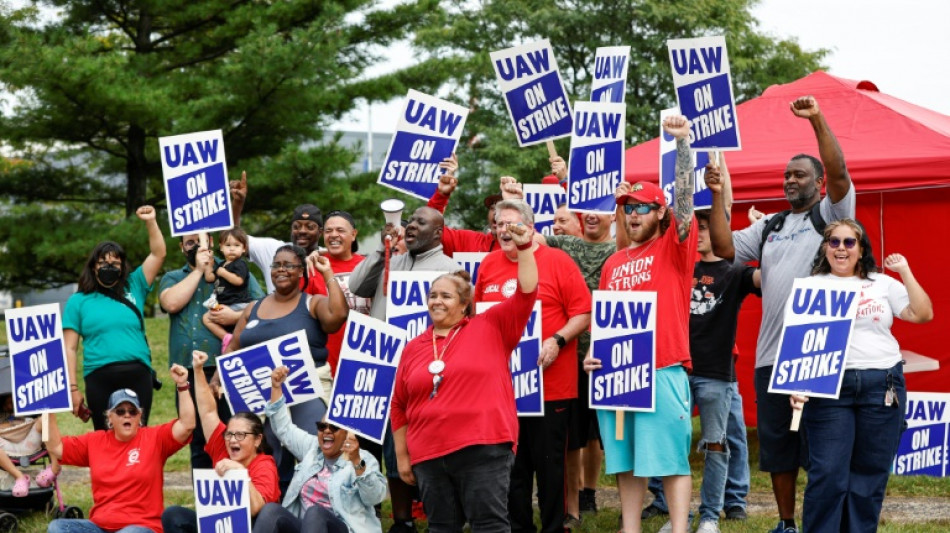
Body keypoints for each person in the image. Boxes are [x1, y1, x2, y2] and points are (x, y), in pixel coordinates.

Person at [704, 95, 855, 533]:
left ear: (818, 183)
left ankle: (824, 522)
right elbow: (724, 247)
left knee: (823, 448)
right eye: (786, 174)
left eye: (799, 174)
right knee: (778, 448)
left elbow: (842, 174)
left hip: (819, 350)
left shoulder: (829, 218)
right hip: (772, 357)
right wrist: (717, 196)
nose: (790, 180)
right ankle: (787, 523)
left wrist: (817, 119)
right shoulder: (770, 225)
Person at [584, 114, 697, 533]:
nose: (632, 215)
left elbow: (685, 205)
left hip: (663, 367)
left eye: (641, 208)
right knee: (625, 461)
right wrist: (595, 354)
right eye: (626, 209)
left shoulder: (673, 248)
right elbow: (606, 319)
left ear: (658, 211)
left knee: (669, 457)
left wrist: (683, 144)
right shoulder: (614, 262)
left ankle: (680, 528)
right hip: (617, 375)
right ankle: (629, 528)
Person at [391, 221, 538, 533]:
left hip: (483, 448)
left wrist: (524, 249)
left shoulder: (491, 326)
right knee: (442, 528)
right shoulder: (414, 347)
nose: (436, 302)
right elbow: (399, 406)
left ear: (463, 303)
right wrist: (403, 458)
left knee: (489, 526)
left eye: (445, 296)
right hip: (429, 454)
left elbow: (526, 292)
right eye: (432, 296)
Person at [789, 219, 932, 533]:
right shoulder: (811, 285)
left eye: (849, 242)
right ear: (825, 248)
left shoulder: (881, 283)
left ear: (861, 248)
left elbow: (923, 314)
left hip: (881, 384)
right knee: (827, 473)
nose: (841, 248)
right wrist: (796, 385)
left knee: (870, 473)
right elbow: (800, 342)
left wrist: (905, 271)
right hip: (828, 389)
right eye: (834, 242)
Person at [474, 198, 591, 533]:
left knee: (550, 466)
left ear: (529, 226)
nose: (505, 231)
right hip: (502, 389)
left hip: (551, 386)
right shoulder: (489, 264)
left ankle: (554, 527)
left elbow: (583, 312)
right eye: (498, 225)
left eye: (512, 224)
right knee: (511, 468)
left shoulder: (557, 261)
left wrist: (557, 340)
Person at [647, 206, 762, 533]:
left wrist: (767, 240)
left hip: (715, 373)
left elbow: (766, 279)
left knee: (716, 445)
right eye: (694, 227)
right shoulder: (676, 267)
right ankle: (677, 515)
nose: (698, 234)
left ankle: (710, 515)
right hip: (674, 368)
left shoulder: (734, 270)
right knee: (672, 446)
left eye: (706, 228)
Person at [349, 206, 461, 533]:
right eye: (409, 221)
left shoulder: (450, 270)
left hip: (423, 372)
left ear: (439, 233)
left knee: (413, 451)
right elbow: (357, 286)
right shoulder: (393, 261)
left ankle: (419, 518)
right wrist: (380, 249)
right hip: (380, 368)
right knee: (377, 447)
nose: (410, 226)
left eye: (420, 222)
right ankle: (387, 520)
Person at [224, 245, 348, 497]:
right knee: (270, 460)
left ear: (301, 271)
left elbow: (338, 315)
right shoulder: (253, 308)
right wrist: (217, 378)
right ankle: (272, 515)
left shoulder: (312, 303)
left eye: (289, 265)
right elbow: (233, 347)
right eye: (277, 265)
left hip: (306, 392)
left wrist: (328, 275)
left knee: (314, 456)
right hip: (262, 397)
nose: (281, 270)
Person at [159, 233, 264, 470]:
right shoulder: (172, 277)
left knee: (236, 436)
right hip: (189, 372)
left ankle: (241, 500)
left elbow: (263, 307)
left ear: (212, 243)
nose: (196, 246)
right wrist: (199, 269)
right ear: (181, 247)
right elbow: (171, 303)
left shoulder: (235, 268)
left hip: (229, 366)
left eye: (201, 241)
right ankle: (206, 504)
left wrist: (235, 316)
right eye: (190, 242)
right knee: (198, 440)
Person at [45, 368, 194, 533]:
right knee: (58, 527)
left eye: (132, 411)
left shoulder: (155, 438)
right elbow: (55, 447)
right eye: (120, 411)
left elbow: (187, 426)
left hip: (141, 528)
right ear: (110, 417)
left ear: (140, 416)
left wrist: (182, 386)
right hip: (100, 527)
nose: (127, 415)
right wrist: (46, 408)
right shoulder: (95, 441)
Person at [64, 205, 166, 430]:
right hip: (98, 376)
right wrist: (72, 389)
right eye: (103, 263)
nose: (109, 267)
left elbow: (158, 254)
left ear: (122, 267)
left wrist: (150, 221)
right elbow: (69, 348)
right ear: (93, 266)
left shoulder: (135, 284)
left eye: (115, 263)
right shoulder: (78, 301)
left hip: (138, 372)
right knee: (104, 438)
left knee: (139, 437)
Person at [254, 366, 386, 533]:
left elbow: (375, 497)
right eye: (322, 426)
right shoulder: (311, 448)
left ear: (346, 433)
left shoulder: (361, 459)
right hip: (307, 527)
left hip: (343, 528)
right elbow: (284, 429)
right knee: (270, 510)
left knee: (315, 513)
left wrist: (357, 463)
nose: (327, 431)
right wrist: (276, 387)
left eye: (334, 427)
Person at [162, 351, 281, 533]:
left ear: (257, 440)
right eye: (229, 434)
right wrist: (198, 370)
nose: (232, 440)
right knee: (173, 515)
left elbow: (258, 509)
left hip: (251, 528)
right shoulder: (222, 447)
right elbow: (208, 411)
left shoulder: (264, 465)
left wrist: (241, 473)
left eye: (240, 435)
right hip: (219, 527)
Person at [230, 171, 324, 293]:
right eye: (296, 226)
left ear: (320, 232)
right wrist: (238, 204)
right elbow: (233, 238)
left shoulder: (326, 257)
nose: (302, 231)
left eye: (310, 227)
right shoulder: (273, 249)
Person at [0, 393, 61, 496]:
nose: (11, 405)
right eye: (9, 403)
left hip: (29, 440)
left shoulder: (27, 408)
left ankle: (55, 468)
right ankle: (19, 477)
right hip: (6, 446)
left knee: (46, 417)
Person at [202, 228, 254, 347]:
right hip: (225, 304)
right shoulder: (221, 265)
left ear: (244, 248)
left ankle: (240, 340)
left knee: (242, 326)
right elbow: (209, 278)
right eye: (228, 245)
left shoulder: (240, 263)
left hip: (238, 304)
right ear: (221, 247)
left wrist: (223, 273)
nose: (232, 248)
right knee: (206, 318)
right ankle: (227, 338)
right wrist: (209, 264)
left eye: (236, 245)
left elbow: (239, 280)